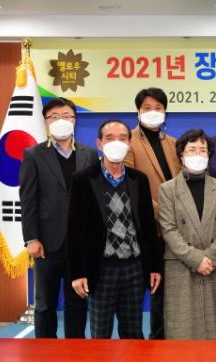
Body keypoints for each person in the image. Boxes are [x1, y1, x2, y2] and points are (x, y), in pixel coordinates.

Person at [68, 120, 161, 339]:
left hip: (134, 268)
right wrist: (78, 273)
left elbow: (148, 226)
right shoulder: (83, 179)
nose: (116, 143)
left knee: (133, 333)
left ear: (129, 144)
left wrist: (154, 267)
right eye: (110, 138)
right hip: (101, 268)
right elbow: (74, 229)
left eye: (122, 138)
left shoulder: (139, 179)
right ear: (99, 144)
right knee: (100, 333)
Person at [19, 97, 99, 339]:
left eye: (66, 116)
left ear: (75, 120)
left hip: (80, 243)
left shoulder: (89, 154)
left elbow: (95, 199)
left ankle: (75, 349)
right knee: (45, 304)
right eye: (54, 117)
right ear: (46, 122)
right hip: (47, 241)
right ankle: (45, 350)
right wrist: (31, 238)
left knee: (78, 301)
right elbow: (28, 199)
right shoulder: (33, 154)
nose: (60, 121)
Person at [158, 129, 216, 340]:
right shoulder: (168, 189)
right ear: (181, 154)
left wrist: (210, 257)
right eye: (192, 150)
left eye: (202, 150)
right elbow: (169, 229)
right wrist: (196, 259)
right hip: (181, 264)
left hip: (213, 265)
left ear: (209, 155)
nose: (197, 154)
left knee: (213, 327)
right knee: (183, 327)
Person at [124, 87, 181, 340]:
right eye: (147, 108)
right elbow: (130, 187)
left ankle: (166, 338)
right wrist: (163, 213)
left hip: (174, 230)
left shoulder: (173, 143)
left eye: (158, 108)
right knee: (149, 289)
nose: (153, 112)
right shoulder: (128, 142)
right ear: (138, 111)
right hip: (147, 228)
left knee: (168, 290)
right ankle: (153, 342)